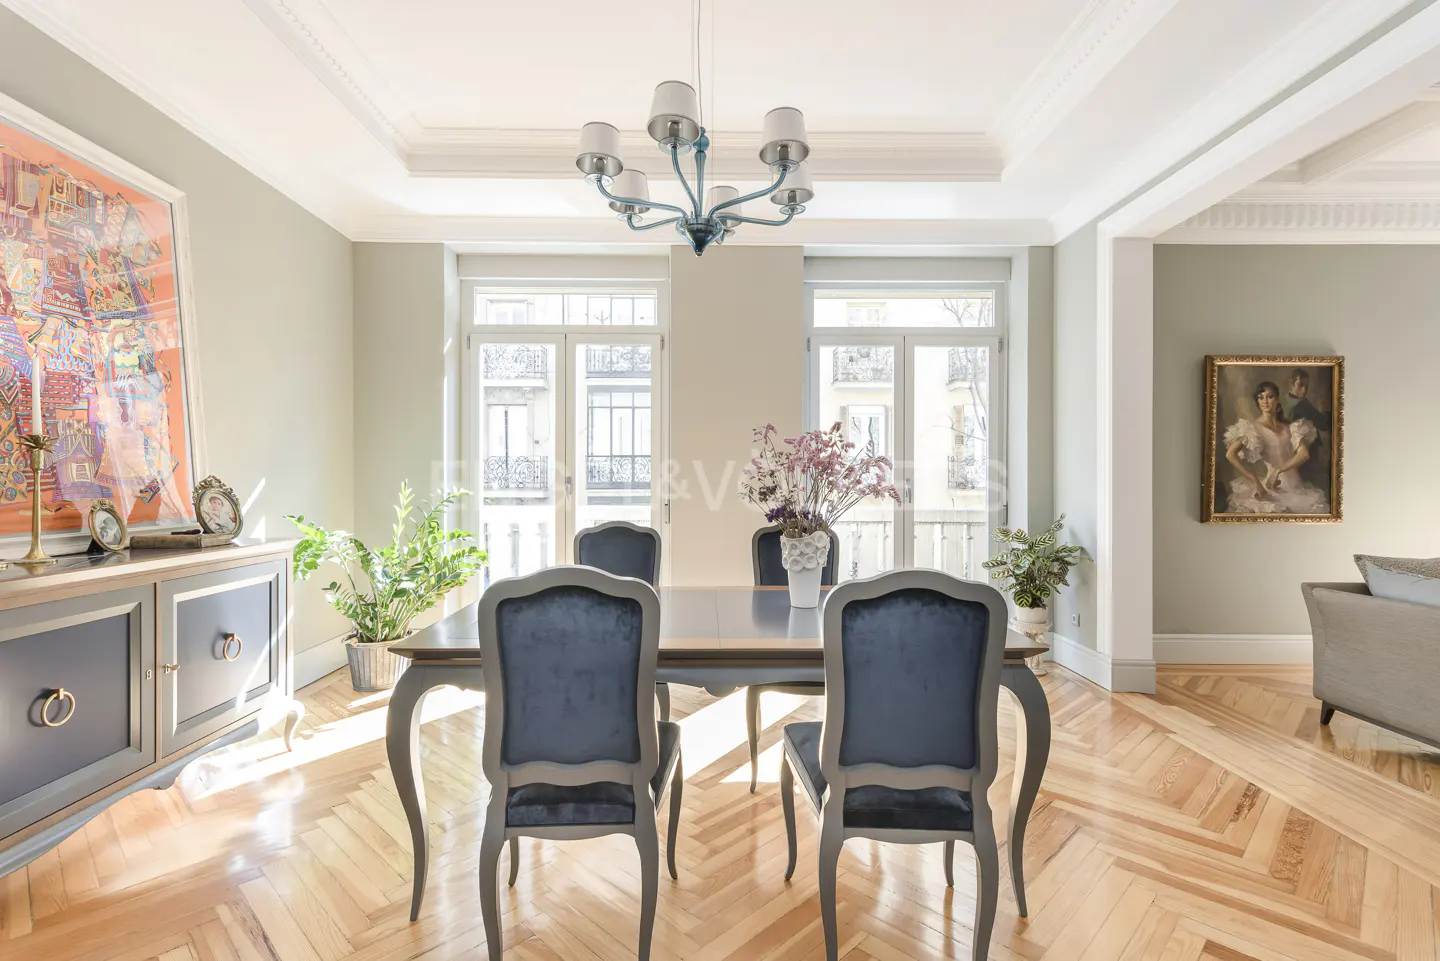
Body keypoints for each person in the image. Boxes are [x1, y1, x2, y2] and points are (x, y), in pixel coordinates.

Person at [1223, 381, 1328, 514]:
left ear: (1277, 399)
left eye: (1270, 396)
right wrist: (1254, 478)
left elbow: (1304, 454)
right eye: (1261, 397)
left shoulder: (1290, 427)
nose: (1265, 401)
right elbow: (1230, 454)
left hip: (1296, 487)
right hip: (1273, 487)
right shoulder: (1253, 429)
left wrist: (1279, 469)